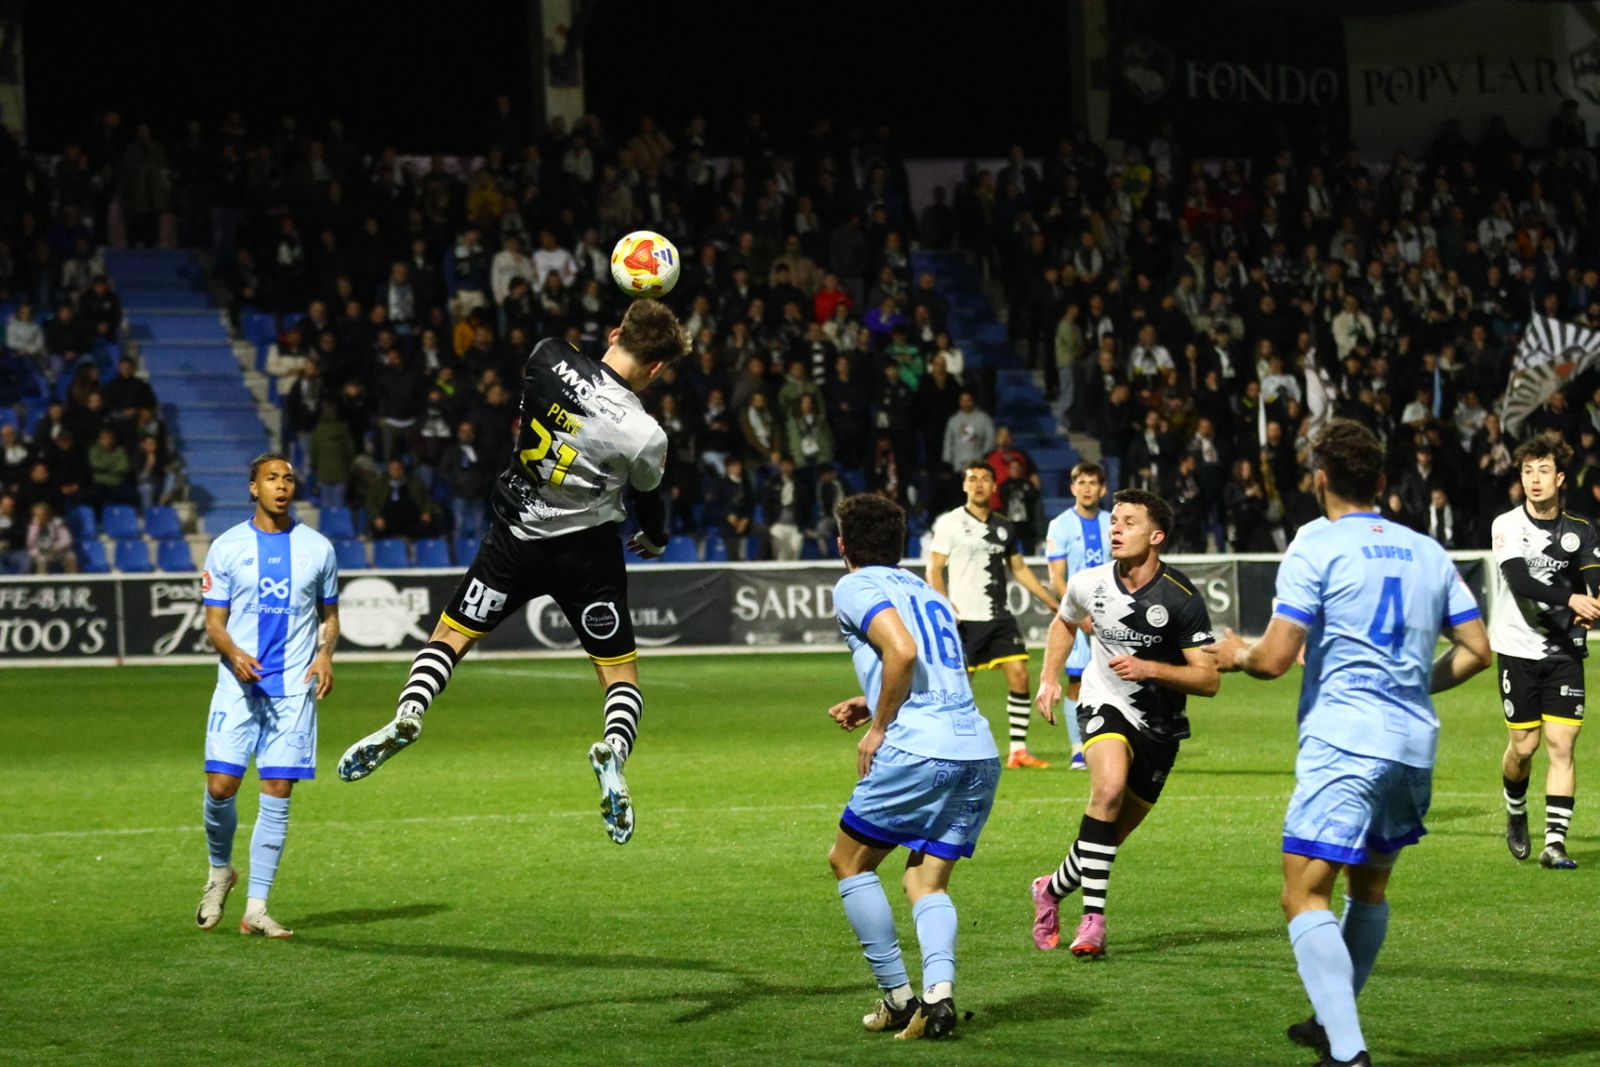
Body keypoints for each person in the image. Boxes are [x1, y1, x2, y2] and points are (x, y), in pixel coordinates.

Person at [336, 299, 690, 846]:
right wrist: (657, 538)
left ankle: (410, 712)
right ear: (659, 368)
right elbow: (650, 500)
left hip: (516, 538)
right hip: (587, 554)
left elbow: (562, 379)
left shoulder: (547, 356)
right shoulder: (646, 434)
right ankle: (613, 752)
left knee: (451, 634)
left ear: (616, 331)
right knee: (618, 674)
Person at [1209, 420, 1489, 1066]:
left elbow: (1276, 658)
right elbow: (1478, 651)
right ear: (1383, 482)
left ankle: (1349, 1048)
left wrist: (1235, 652)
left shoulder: (1317, 544)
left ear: (1319, 479)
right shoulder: (1428, 550)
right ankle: (1332, 1021)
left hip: (1346, 741)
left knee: (1302, 893)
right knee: (1368, 889)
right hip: (1413, 745)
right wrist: (1413, 681)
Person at [825, 492, 1000, 1041]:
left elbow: (900, 652)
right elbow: (950, 670)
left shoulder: (855, 585)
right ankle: (939, 998)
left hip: (918, 748)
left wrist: (879, 727)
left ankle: (899, 998)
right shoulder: (928, 590)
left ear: (842, 545)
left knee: (849, 862)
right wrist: (871, 699)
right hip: (977, 749)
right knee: (927, 881)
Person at [1029, 488, 1218, 958]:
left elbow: (1208, 679)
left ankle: (1050, 888)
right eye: (1114, 520)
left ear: (1156, 536)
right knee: (1107, 790)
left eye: (1128, 522)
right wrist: (1050, 679)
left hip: (1160, 725)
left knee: (1106, 837)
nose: (1115, 528)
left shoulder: (1181, 598)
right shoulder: (1089, 581)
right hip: (1103, 702)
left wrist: (1151, 668)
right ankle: (1093, 921)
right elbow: (1064, 620)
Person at [196, 453, 339, 939]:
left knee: (277, 793)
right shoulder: (227, 546)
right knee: (221, 788)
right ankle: (220, 871)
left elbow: (330, 616)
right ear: (253, 488)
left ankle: (257, 906)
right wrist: (234, 652)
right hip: (239, 687)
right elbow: (214, 622)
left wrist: (325, 656)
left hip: (292, 691)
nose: (282, 485)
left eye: (289, 478)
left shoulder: (317, 548)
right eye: (272, 478)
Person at [1488, 432, 1600, 870]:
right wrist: (1572, 600)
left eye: (1542, 471)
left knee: (1562, 743)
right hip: (1517, 648)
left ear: (1560, 477)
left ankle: (1555, 843)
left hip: (1563, 653)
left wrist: (1595, 605)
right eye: (1527, 471)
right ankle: (1516, 812)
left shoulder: (1582, 529)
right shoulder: (1506, 525)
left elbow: (1594, 576)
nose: (1534, 480)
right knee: (1523, 746)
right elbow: (1520, 581)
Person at [928, 463, 1060, 769]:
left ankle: (1017, 751)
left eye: (985, 479)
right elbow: (934, 568)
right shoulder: (950, 522)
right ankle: (950, 748)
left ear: (994, 486)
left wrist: (1050, 601)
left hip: (999, 617)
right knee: (959, 686)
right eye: (972, 479)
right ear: (964, 486)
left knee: (1020, 675)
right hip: (964, 619)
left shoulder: (1005, 526)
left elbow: (1019, 569)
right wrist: (943, 605)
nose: (978, 484)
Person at [1043, 462, 1112, 771]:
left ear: (1103, 489)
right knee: (1076, 681)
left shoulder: (1113, 523)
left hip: (1111, 614)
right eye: (1081, 482)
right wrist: (1078, 613)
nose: (1087, 488)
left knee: (1117, 679)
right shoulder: (1060, 525)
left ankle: (1112, 743)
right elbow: (1057, 578)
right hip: (1078, 614)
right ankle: (1078, 750)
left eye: (1093, 482)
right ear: (1072, 488)